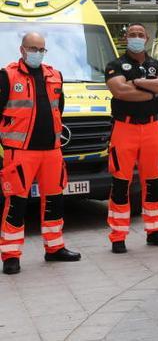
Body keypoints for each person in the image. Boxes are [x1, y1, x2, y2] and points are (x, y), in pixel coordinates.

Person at [0, 33, 81, 275]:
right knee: (16, 203)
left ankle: (54, 248)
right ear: (22, 49)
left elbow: (59, 108)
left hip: (52, 151)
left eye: (41, 49)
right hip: (21, 152)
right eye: (33, 48)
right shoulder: (6, 75)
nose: (37, 52)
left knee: (54, 201)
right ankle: (11, 256)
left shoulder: (54, 75)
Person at [104, 23, 158, 253]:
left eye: (140, 35)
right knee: (121, 182)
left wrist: (137, 82)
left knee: (153, 181)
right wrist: (152, 92)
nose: (136, 37)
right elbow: (119, 91)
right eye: (132, 34)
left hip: (152, 129)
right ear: (126, 38)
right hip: (124, 129)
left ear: (146, 39)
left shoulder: (157, 64)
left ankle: (155, 231)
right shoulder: (115, 65)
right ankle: (118, 236)